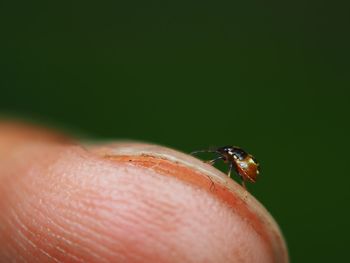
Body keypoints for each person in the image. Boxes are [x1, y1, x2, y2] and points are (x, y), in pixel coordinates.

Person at [0, 121, 288, 263]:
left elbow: (241, 167)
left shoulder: (235, 160)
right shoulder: (232, 157)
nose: (223, 155)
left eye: (224, 154)